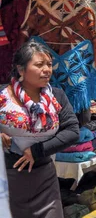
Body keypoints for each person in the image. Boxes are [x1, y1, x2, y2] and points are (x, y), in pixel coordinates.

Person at [1, 40, 80, 218]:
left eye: (49, 65)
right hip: (7, 178)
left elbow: (73, 131)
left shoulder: (56, 96)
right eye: (39, 64)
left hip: (44, 179)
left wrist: (36, 151)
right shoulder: (3, 96)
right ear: (21, 70)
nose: (47, 70)